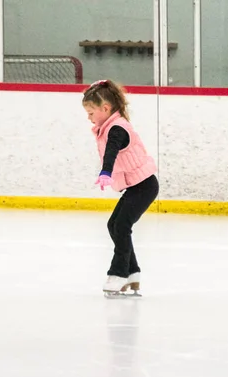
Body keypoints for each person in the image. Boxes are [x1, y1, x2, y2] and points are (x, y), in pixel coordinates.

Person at [82, 79, 159, 297]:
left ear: (105, 108)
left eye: (90, 112)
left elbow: (112, 152)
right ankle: (132, 272)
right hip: (137, 186)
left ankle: (118, 274)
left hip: (144, 186)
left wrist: (105, 172)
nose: (89, 118)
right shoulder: (108, 126)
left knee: (121, 226)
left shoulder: (116, 129)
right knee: (114, 224)